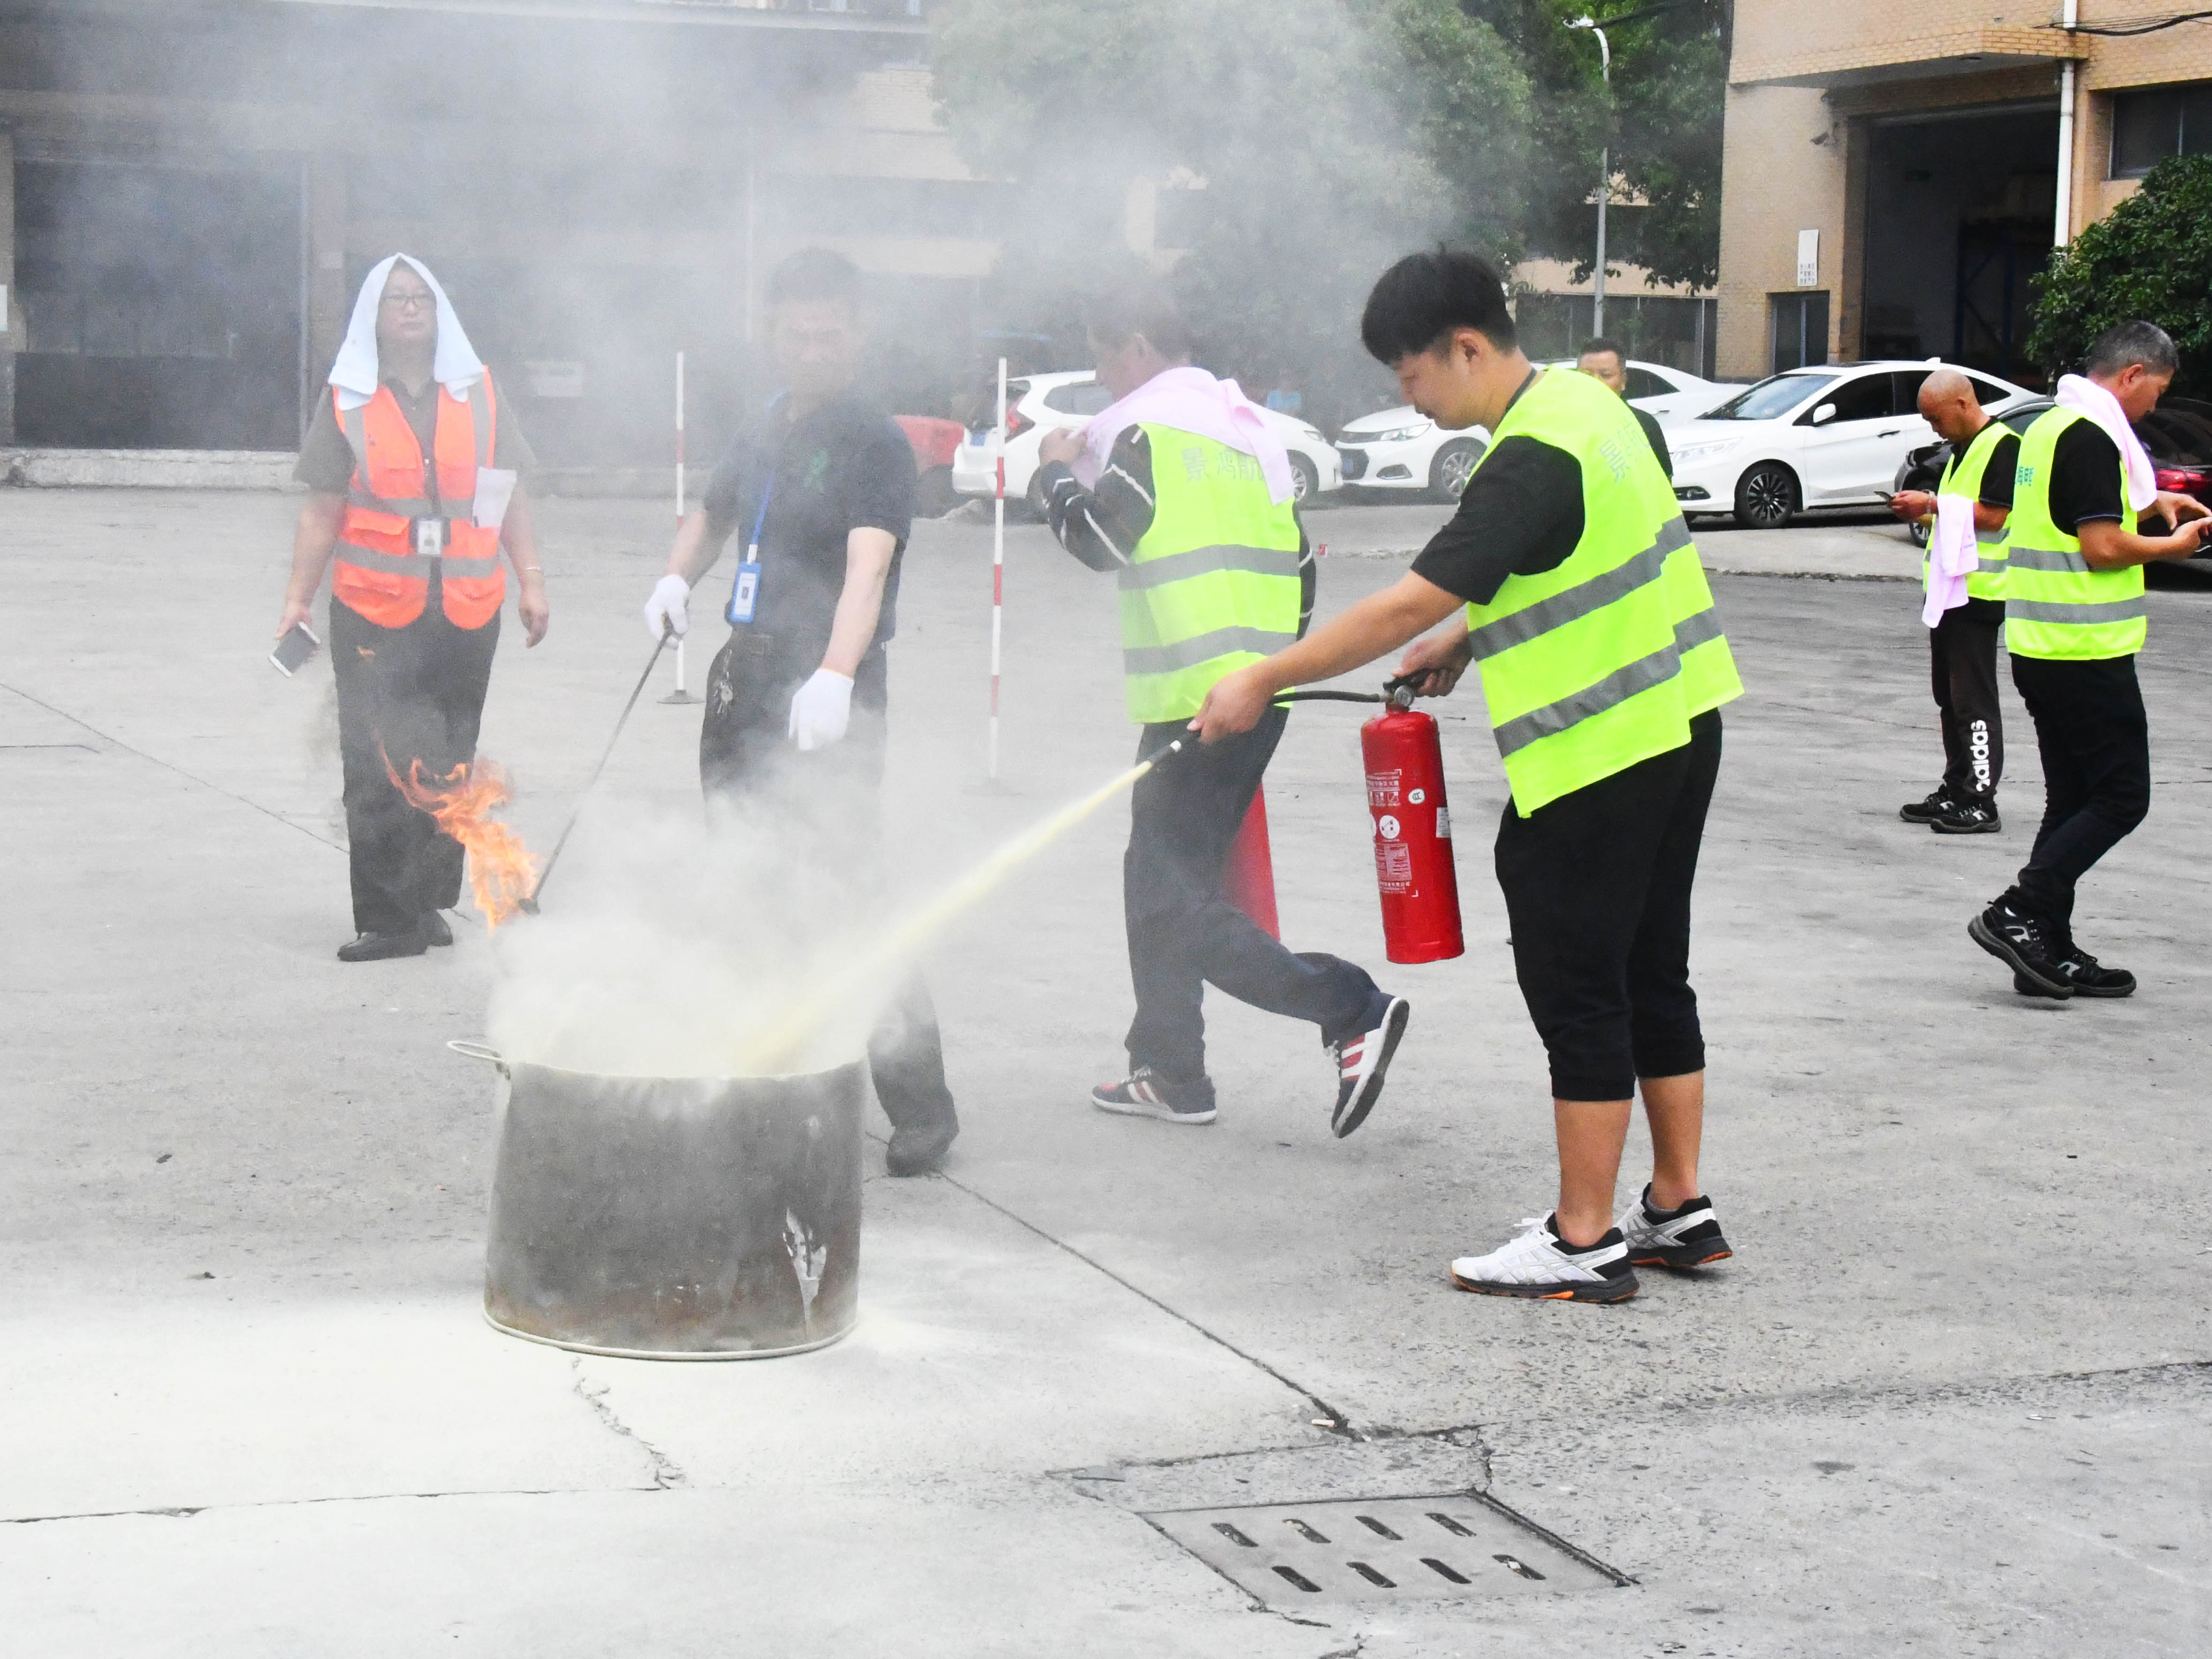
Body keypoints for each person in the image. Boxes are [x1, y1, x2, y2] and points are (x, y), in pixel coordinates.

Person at [1194, 250, 1742, 1304]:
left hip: (1597, 753)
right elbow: (1584, 555)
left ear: (1468, 347)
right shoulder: (1596, 407)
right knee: (1651, 971)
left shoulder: (1528, 457)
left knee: (1580, 985)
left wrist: (1266, 673)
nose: (1409, 397)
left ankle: (1584, 1238)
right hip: (1681, 721)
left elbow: (1397, 603)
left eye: (1412, 376)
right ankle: (1677, 1203)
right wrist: (1475, 632)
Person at [1030, 279, 1408, 1136]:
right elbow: (1301, 571)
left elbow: (1097, 540)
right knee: (1162, 881)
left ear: (1131, 343)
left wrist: (1054, 478)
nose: (1099, 377)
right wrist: (1263, 670)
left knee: (1167, 900)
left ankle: (1346, 1006)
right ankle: (1172, 1071)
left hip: (1193, 704)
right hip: (1254, 697)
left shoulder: (1148, 431)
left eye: (1099, 356)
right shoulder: (1247, 434)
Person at [642, 248, 958, 1177]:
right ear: (772, 335)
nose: (811, 348)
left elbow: (869, 566)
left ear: (856, 334)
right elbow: (711, 514)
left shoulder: (873, 441)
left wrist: (832, 674)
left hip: (827, 694)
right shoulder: (764, 425)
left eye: (828, 333)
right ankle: (765, 1077)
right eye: (795, 333)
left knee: (846, 893)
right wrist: (672, 575)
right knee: (745, 882)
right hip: (744, 678)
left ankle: (921, 1106)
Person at [278, 254, 548, 963]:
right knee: (375, 761)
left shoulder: (479, 393)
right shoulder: (349, 397)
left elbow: (505, 494)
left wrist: (531, 580)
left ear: (439, 312)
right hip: (373, 610)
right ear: (375, 315)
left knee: (448, 760)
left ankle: (428, 905)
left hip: (465, 607)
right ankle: (387, 919)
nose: (408, 308)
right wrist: (296, 600)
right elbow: (321, 511)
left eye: (420, 298)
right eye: (395, 298)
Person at [1967, 322, 2212, 1000]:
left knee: (2072, 799)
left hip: (2043, 644)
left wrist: (2154, 501)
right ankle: (2019, 909)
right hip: (2085, 650)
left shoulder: (2050, 425)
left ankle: (2046, 944)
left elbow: (2069, 509)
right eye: (2156, 393)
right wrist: (2174, 547)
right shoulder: (2090, 437)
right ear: (2132, 375)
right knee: (2123, 796)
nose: (2155, 409)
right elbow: (2102, 546)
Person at [1886, 370, 2017, 835]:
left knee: (1973, 701)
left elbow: (1997, 514)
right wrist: (1922, 507)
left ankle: (1982, 798)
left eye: (1936, 418)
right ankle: (1957, 786)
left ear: (1963, 404)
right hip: (1950, 590)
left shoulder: (2003, 445)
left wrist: (1933, 504)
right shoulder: (1963, 447)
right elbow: (1958, 509)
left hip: (1978, 593)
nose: (1934, 429)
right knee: (1949, 696)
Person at [1574, 337, 1670, 480]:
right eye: (1587, 375)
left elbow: (1663, 487)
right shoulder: (1562, 425)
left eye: (1606, 375)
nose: (1596, 382)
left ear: (1623, 381)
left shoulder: (1644, 426)